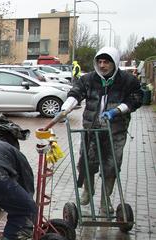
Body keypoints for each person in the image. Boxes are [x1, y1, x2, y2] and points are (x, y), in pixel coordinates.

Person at [59, 47, 142, 214]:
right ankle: (87, 192)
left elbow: (136, 98)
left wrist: (117, 110)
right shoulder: (88, 79)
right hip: (91, 129)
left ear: (114, 63)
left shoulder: (127, 81)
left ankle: (105, 199)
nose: (102, 65)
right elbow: (76, 93)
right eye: (100, 62)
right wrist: (65, 108)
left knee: (111, 166)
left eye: (106, 62)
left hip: (115, 131)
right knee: (86, 163)